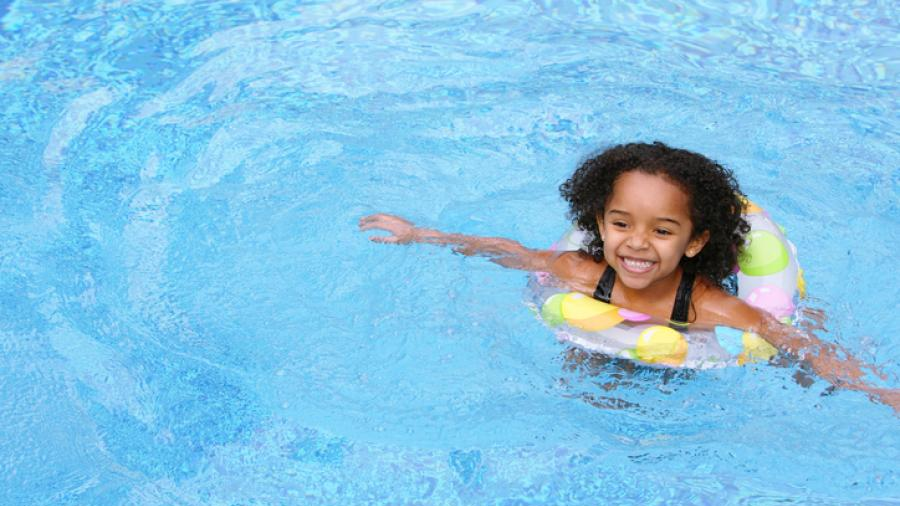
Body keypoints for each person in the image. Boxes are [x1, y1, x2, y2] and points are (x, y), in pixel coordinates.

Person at [359, 141, 899, 414]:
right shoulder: (581, 271)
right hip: (608, 335)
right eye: (621, 225)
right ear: (600, 225)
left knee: (794, 369)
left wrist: (876, 389)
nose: (637, 243)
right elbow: (514, 254)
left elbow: (780, 334)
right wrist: (420, 234)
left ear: (694, 242)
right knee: (580, 377)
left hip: (694, 363)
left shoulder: (708, 304)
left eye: (662, 231)